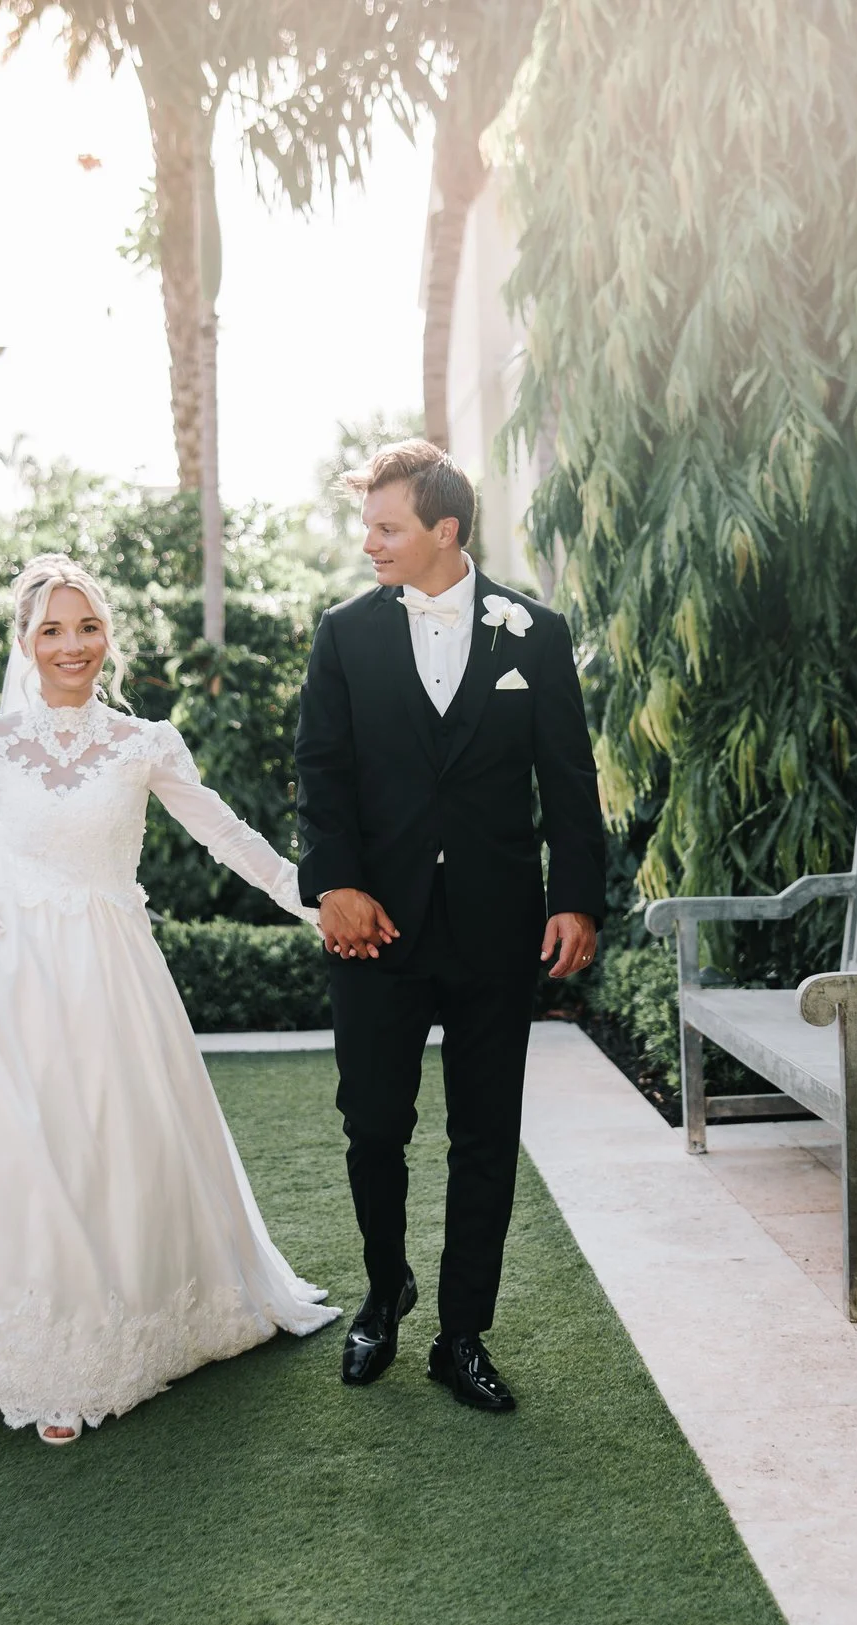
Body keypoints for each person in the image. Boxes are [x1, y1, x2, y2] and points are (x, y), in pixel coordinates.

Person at [0, 554, 338, 1445]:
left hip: (110, 973)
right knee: (27, 1156)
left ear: (106, 637)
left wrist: (303, 896)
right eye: (53, 630)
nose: (72, 645)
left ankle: (120, 1334)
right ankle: (42, 1348)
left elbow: (222, 831)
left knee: (108, 1148)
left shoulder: (143, 743)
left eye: (86, 627)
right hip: (11, 971)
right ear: (26, 642)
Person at [295, 441, 608, 1413]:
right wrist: (331, 885)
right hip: (375, 928)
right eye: (367, 524)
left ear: (446, 530)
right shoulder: (343, 634)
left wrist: (577, 897)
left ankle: (461, 1332)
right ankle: (384, 1291)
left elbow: (567, 779)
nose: (368, 542)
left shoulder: (536, 633)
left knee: (485, 1132)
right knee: (374, 1124)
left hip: (494, 923)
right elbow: (322, 774)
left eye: (385, 526)